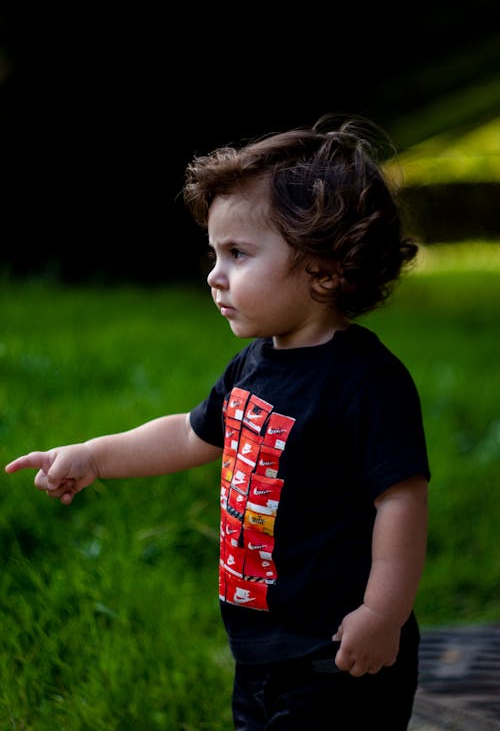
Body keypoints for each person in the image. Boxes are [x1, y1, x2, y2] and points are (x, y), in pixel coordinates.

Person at [5, 114, 430, 730]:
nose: (214, 274)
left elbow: (401, 500)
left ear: (325, 268)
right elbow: (188, 433)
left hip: (338, 651)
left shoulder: (367, 382)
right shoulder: (252, 367)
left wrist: (382, 614)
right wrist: (94, 454)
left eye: (237, 253)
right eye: (214, 253)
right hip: (260, 643)